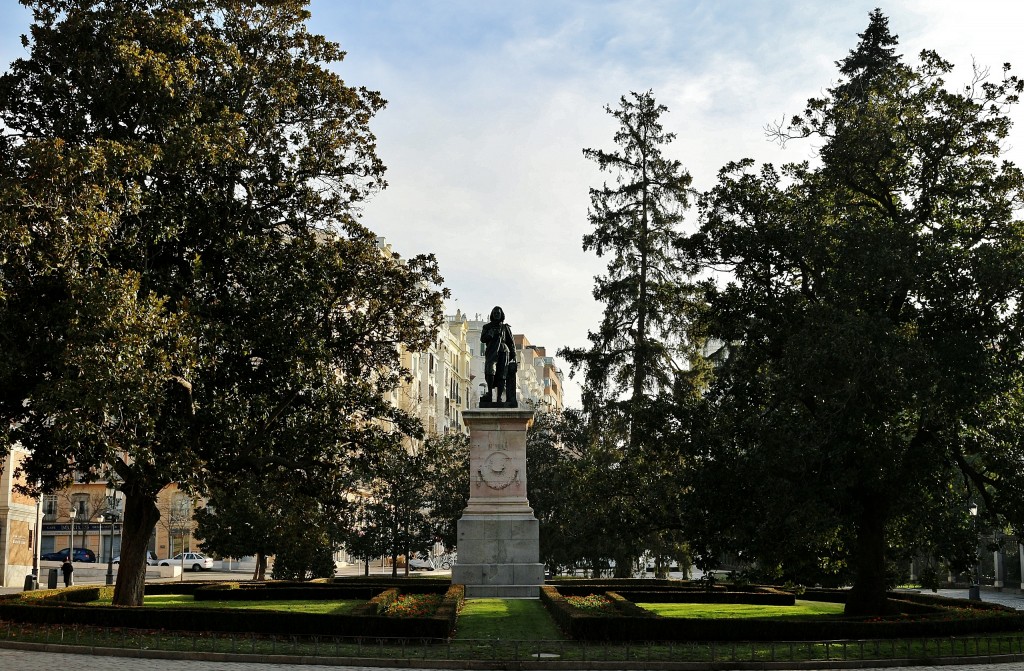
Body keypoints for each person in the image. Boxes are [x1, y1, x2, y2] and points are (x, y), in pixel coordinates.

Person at [481, 306, 516, 406]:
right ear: (492, 314)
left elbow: (511, 342)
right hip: (491, 351)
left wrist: (513, 354)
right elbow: (482, 339)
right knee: (490, 371)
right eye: (495, 312)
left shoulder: (505, 328)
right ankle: (490, 393)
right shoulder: (487, 327)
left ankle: (499, 397)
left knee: (502, 374)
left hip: (504, 351)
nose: (497, 314)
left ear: (501, 315)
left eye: (498, 313)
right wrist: (490, 334)